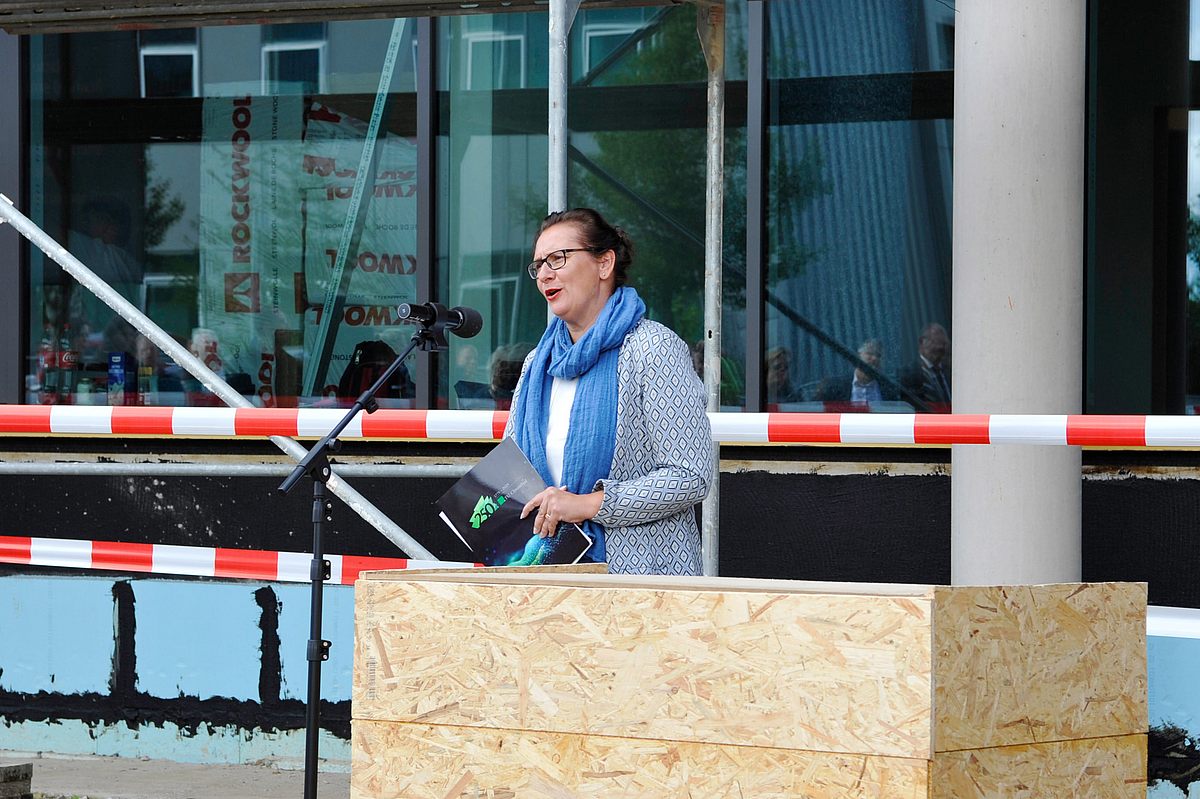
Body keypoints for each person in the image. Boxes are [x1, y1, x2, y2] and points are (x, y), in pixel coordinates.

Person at [507, 208, 713, 575]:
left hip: (642, 580)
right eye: (538, 265)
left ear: (604, 264)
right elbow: (511, 470)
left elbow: (690, 475)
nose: (545, 274)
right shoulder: (537, 363)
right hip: (547, 579)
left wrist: (589, 504)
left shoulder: (653, 348)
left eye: (558, 258)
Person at [816, 338, 897, 404]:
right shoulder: (833, 387)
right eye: (870, 353)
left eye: (878, 355)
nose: (874, 358)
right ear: (858, 356)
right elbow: (815, 413)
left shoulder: (891, 390)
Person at [899, 322, 952, 410]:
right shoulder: (908, 375)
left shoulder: (949, 372)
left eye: (943, 343)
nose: (940, 347)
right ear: (921, 342)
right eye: (935, 342)